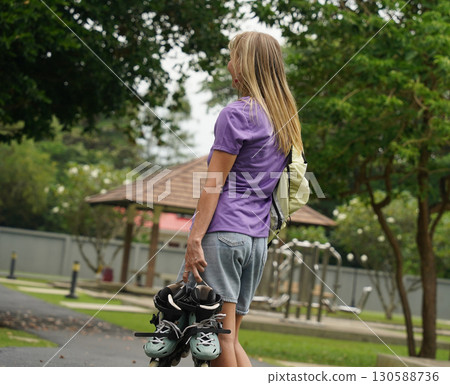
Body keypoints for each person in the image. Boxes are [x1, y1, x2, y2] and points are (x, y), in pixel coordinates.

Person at [180, 31, 303, 367]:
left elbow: (214, 183)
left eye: (232, 56)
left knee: (218, 339)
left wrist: (194, 237)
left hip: (224, 237)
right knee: (230, 337)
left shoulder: (237, 114)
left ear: (245, 64)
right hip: (256, 242)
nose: (228, 64)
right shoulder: (284, 121)